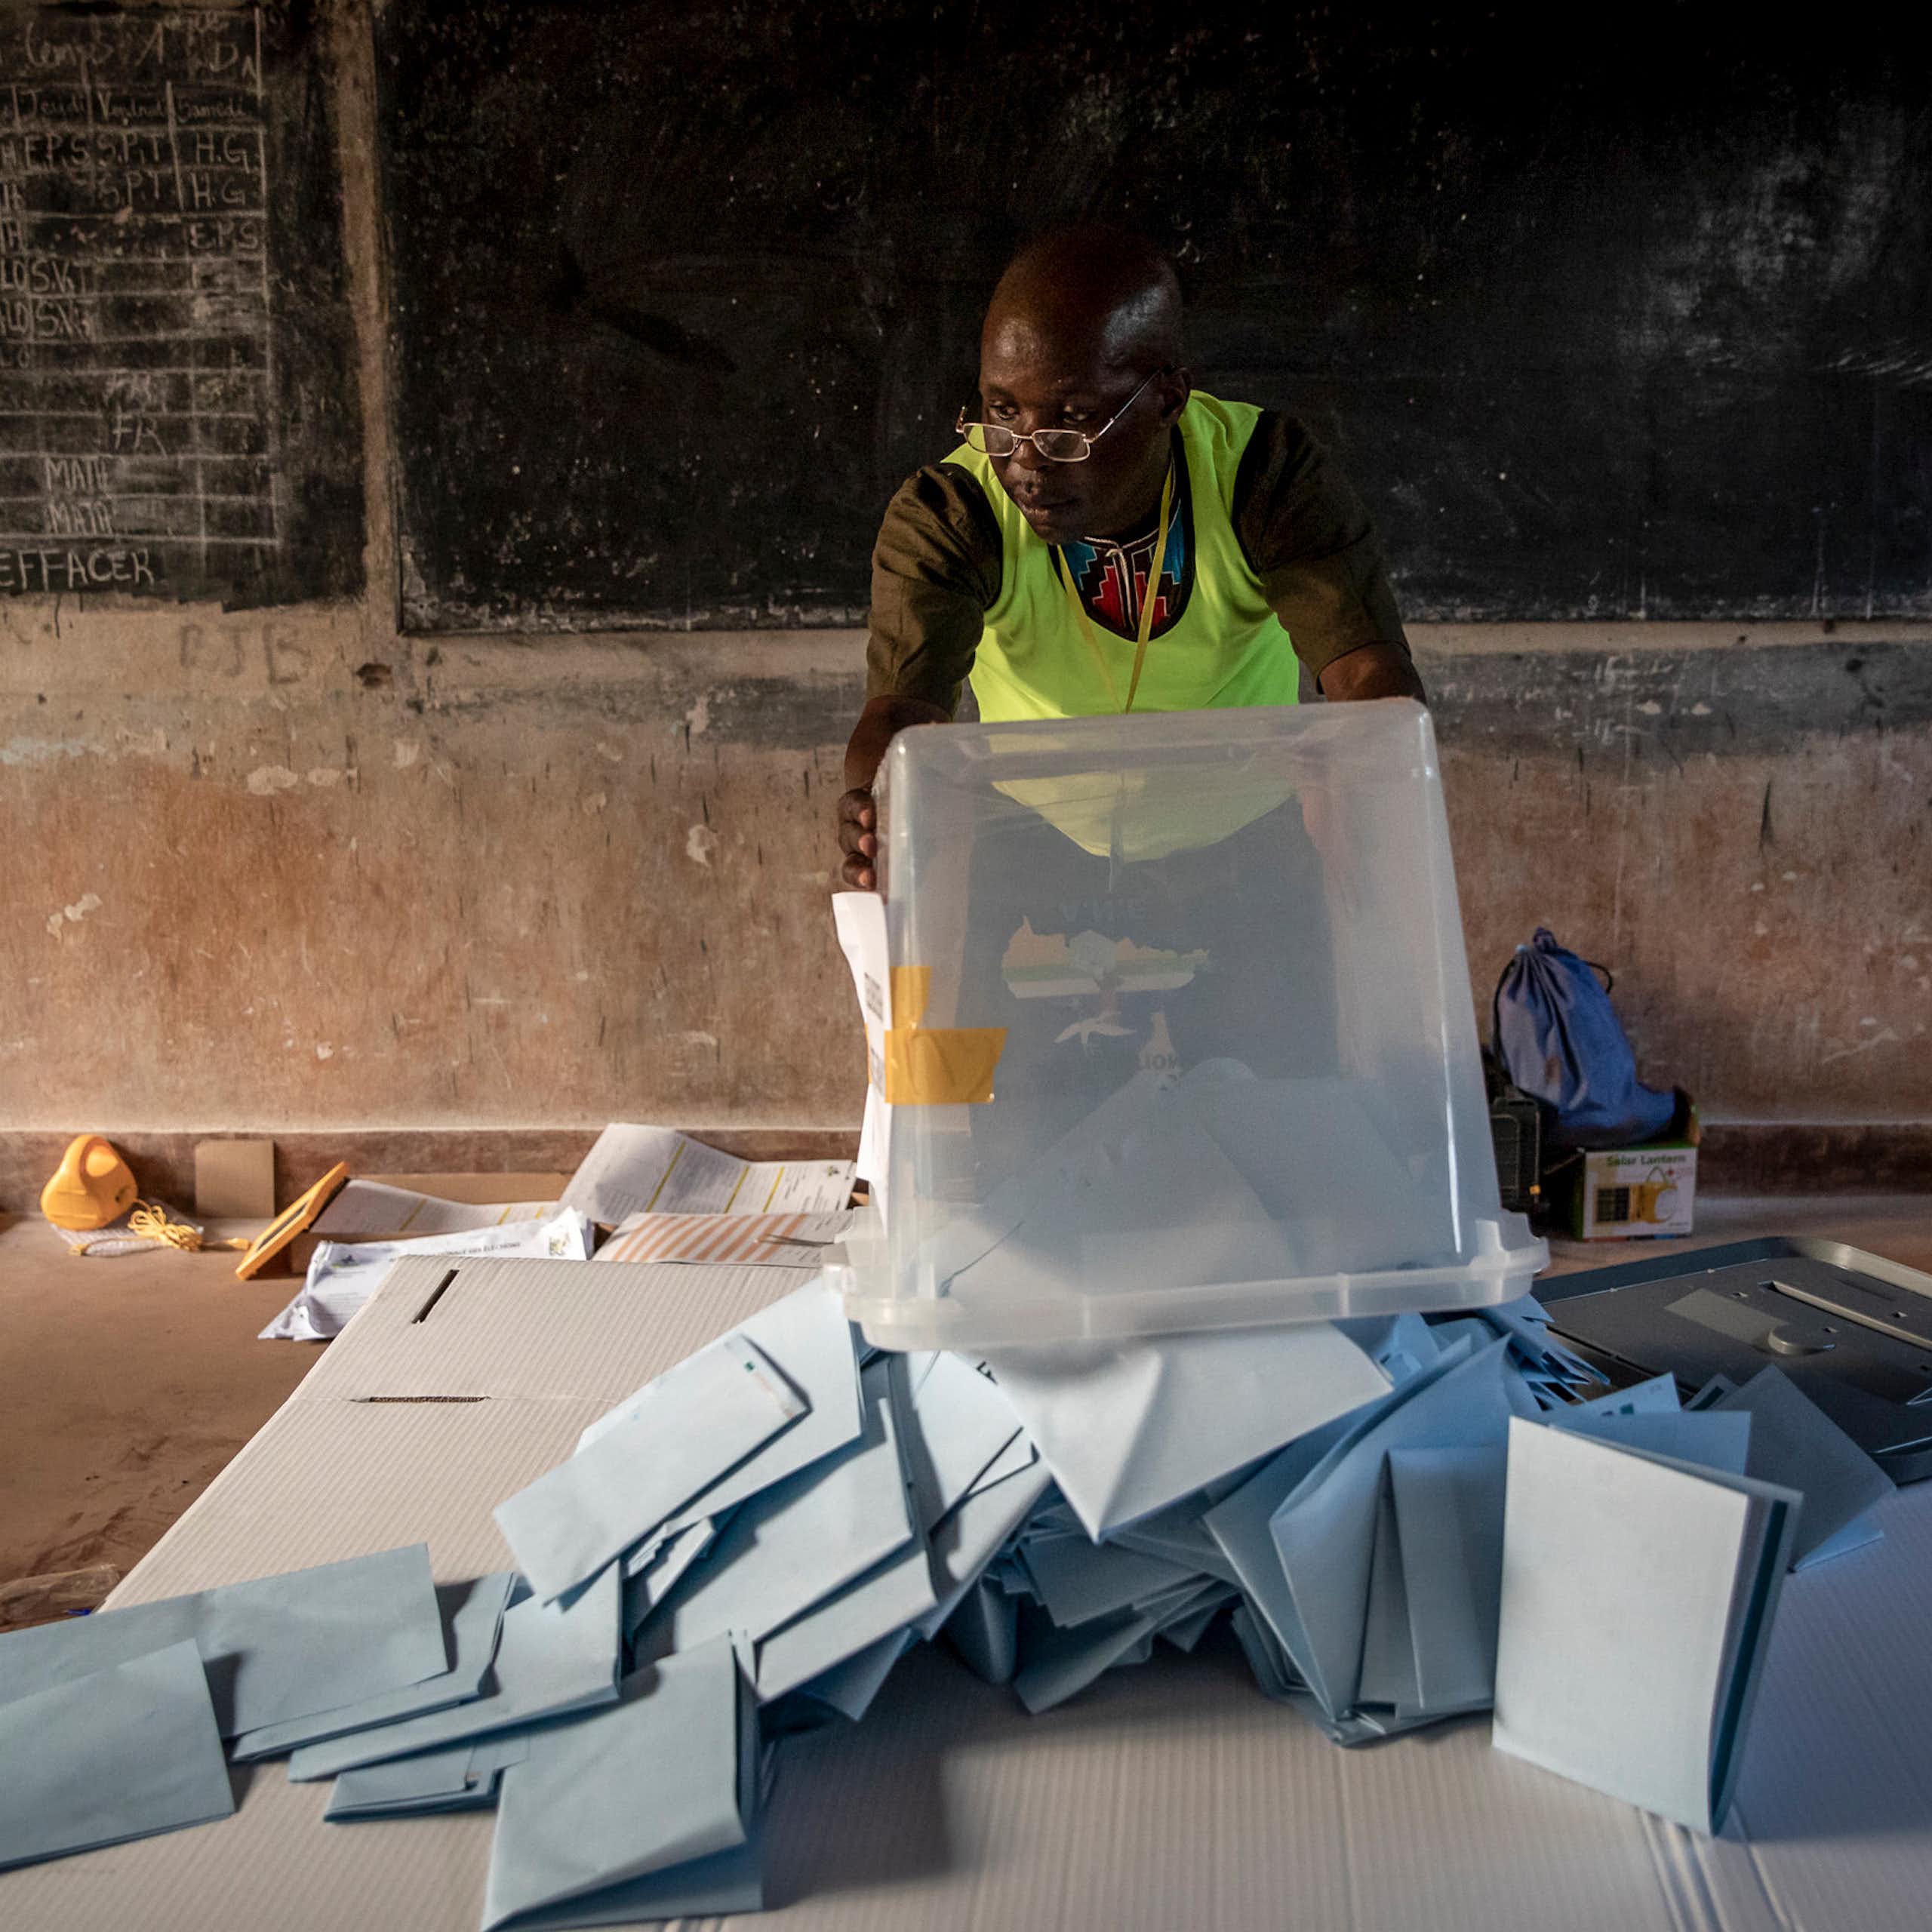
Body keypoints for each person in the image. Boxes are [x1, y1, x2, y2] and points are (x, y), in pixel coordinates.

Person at [836, 225, 1423, 891]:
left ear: (1167, 399)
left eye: (1072, 419)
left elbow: (1370, 674)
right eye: (1002, 411)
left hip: (1246, 847)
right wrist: (875, 805)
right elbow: (898, 714)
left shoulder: (1264, 476)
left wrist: (1370, 784)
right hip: (1033, 845)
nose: (1025, 462)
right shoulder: (954, 511)